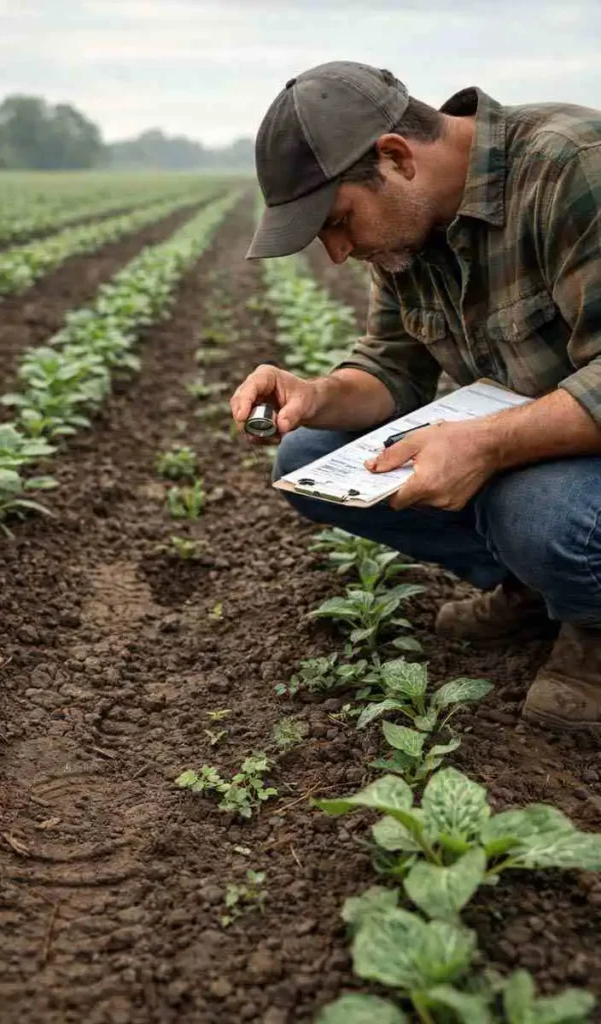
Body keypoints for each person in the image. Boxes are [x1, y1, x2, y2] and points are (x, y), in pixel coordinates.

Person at [230, 61, 601, 734]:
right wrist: (314, 395)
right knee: (308, 458)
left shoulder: (572, 165)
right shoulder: (409, 230)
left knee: (535, 508)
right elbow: (391, 372)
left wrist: (485, 443)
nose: (339, 254)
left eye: (338, 222)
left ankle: (591, 624)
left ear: (395, 157)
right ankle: (535, 587)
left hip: (573, 455)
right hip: (551, 443)